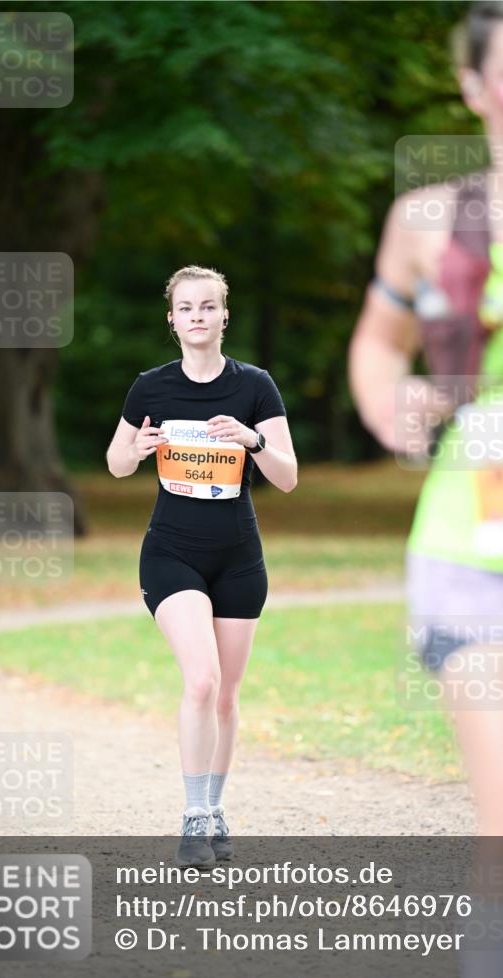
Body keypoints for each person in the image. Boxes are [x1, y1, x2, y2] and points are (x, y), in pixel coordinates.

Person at [348, 3, 503, 978]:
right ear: (475, 88)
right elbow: (376, 342)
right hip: (470, 556)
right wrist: (388, 404)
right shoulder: (430, 220)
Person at [107, 265, 297, 867]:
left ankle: (214, 808)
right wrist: (133, 451)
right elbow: (114, 462)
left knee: (226, 695)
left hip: (239, 558)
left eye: (207, 306)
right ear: (172, 318)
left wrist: (253, 439)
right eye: (185, 307)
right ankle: (193, 817)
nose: (196, 316)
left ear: (223, 315)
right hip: (172, 553)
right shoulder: (150, 388)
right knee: (202, 680)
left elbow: (288, 478)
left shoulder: (256, 387)